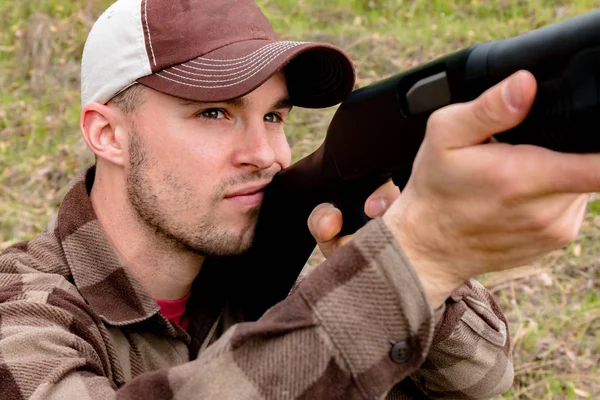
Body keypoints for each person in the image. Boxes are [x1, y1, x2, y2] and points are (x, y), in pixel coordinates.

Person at [0, 0, 595, 398]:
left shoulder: (268, 265)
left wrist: (409, 255)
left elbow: (484, 381)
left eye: (275, 115)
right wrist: (412, 263)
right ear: (108, 134)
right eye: (215, 113)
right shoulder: (21, 314)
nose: (268, 154)